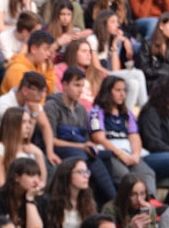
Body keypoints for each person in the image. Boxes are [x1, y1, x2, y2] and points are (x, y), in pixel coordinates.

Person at [45, 66, 117, 206]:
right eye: (76, 85)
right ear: (64, 85)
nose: (80, 90)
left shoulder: (81, 110)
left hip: (80, 148)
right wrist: (82, 146)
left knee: (105, 155)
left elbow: (86, 139)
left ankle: (104, 204)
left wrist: (89, 146)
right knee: (86, 156)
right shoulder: (51, 106)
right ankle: (113, 200)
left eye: (82, 86)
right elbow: (51, 139)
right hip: (62, 148)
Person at [88, 75, 157, 194]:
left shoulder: (127, 114)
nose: (122, 94)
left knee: (148, 173)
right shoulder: (97, 111)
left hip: (128, 153)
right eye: (117, 90)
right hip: (110, 153)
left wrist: (135, 154)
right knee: (127, 177)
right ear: (107, 92)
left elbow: (134, 136)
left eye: (124, 90)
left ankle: (150, 204)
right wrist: (120, 155)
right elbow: (99, 138)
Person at [0, 70, 60, 167]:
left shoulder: (32, 102)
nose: (42, 96)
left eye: (44, 91)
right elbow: (22, 136)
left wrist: (50, 152)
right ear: (25, 90)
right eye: (39, 91)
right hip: (7, 149)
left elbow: (46, 127)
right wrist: (33, 115)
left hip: (25, 148)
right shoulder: (4, 104)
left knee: (52, 164)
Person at [45, 157, 97, 228]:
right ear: (67, 174)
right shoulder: (49, 201)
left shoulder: (89, 202)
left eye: (87, 171)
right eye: (80, 172)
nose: (86, 176)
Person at [0, 106, 46, 190]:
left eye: (29, 122)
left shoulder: (32, 149)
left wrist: (39, 155)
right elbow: (0, 184)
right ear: (12, 125)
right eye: (24, 122)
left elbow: (42, 182)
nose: (29, 126)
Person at [0, 29, 56, 95]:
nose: (49, 54)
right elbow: (24, 97)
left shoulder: (38, 65)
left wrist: (49, 67)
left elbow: (49, 91)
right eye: (46, 49)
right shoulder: (17, 69)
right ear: (33, 49)